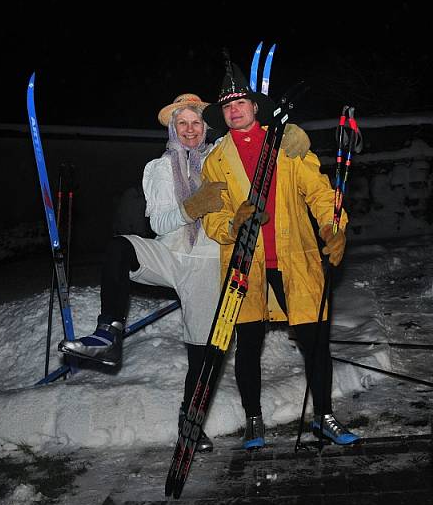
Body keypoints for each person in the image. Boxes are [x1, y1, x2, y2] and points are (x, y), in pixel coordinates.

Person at [58, 93, 307, 452]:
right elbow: (158, 221)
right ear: (174, 129)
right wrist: (192, 207)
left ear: (206, 126)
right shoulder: (158, 168)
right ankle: (108, 333)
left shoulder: (220, 155)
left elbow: (252, 132)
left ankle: (190, 423)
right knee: (119, 247)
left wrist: (289, 133)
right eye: (182, 123)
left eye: (196, 122)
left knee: (202, 356)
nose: (190, 130)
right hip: (169, 251)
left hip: (208, 260)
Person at [200, 60, 359, 448]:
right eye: (227, 105)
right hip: (245, 265)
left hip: (296, 258)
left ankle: (323, 415)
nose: (234, 109)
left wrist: (333, 226)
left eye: (241, 101)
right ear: (222, 115)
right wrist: (233, 225)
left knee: (315, 341)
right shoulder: (214, 161)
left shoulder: (287, 144)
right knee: (248, 344)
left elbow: (320, 193)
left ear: (255, 107)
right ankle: (254, 421)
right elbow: (212, 220)